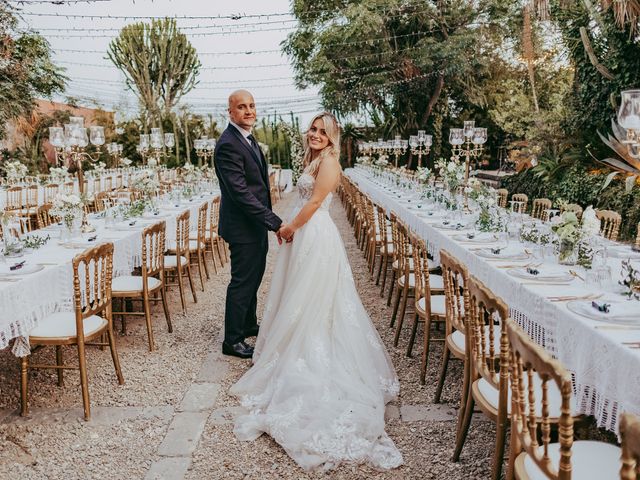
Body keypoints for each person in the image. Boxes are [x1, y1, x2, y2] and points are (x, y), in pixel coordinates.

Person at [230, 112, 403, 471]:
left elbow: (312, 203)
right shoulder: (312, 159)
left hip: (314, 233)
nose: (315, 135)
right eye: (312, 129)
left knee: (318, 298)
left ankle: (313, 347)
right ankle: (295, 339)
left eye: (322, 132)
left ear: (332, 137)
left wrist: (288, 228)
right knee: (299, 296)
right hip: (305, 234)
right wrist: (290, 228)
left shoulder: (330, 164)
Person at [214, 90, 293, 359]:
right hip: (242, 227)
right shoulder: (228, 144)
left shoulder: (247, 139)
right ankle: (232, 339)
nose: (248, 111)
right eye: (241, 107)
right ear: (231, 112)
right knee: (242, 281)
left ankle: (248, 323)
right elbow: (241, 194)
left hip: (254, 225)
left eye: (252, 106)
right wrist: (275, 222)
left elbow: (257, 185)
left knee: (254, 276)